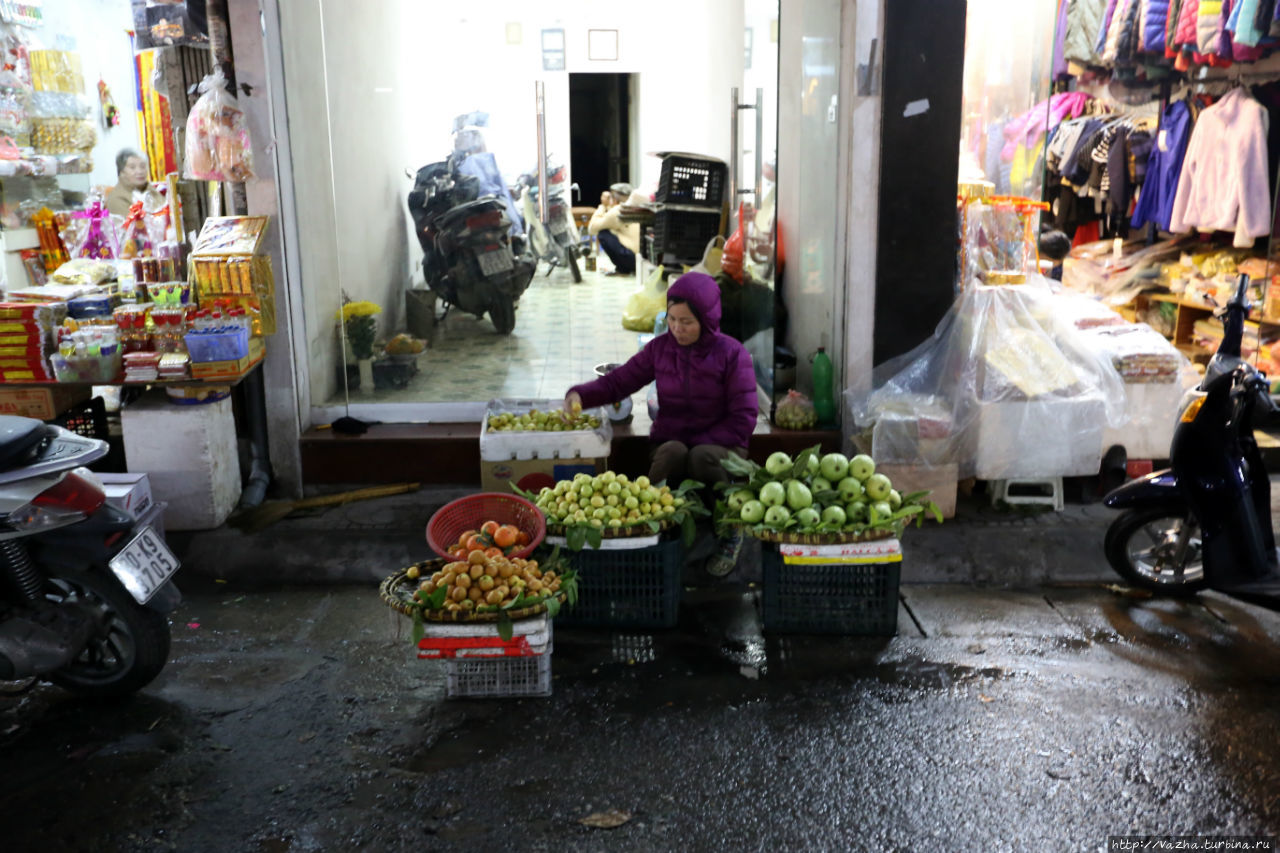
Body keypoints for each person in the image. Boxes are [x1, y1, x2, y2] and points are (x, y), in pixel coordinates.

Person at [565, 271, 757, 575]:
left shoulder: (732, 354)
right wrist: (579, 395)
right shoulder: (660, 350)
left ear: (707, 320)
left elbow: (744, 419)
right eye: (672, 319)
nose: (677, 329)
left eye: (687, 322)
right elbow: (620, 381)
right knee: (672, 452)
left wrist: (700, 439)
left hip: (723, 447)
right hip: (674, 441)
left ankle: (732, 530)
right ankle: (651, 527)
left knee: (700, 455)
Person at [587, 182, 640, 276]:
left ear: (615, 198)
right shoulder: (636, 207)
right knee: (612, 230)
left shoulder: (618, 210)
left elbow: (592, 228)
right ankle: (624, 268)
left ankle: (623, 269)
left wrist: (602, 205)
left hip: (632, 260)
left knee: (603, 233)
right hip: (640, 260)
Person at [107, 149, 149, 217]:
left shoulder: (146, 189)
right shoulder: (117, 199)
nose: (139, 172)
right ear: (121, 172)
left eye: (142, 167)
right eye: (132, 167)